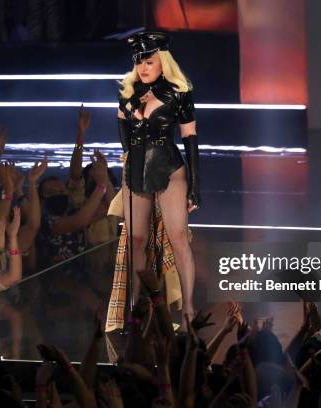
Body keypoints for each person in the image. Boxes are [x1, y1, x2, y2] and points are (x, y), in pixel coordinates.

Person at [116, 31, 200, 328]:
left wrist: (196, 188)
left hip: (170, 169)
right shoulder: (128, 91)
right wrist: (129, 153)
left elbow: (191, 140)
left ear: (163, 61)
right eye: (139, 62)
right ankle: (135, 307)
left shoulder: (180, 92)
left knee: (178, 239)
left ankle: (188, 308)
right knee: (135, 239)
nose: (143, 68)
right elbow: (123, 130)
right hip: (137, 169)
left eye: (149, 61)